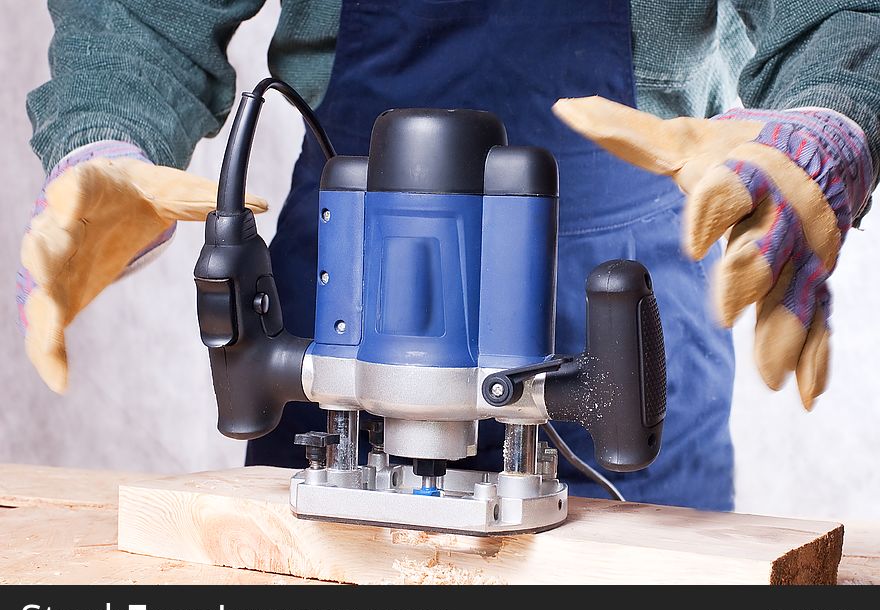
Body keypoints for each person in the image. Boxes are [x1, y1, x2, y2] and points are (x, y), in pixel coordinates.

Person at [20, 1, 879, 510]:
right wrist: (106, 135)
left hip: (626, 275)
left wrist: (831, 119)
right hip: (349, 262)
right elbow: (138, 9)